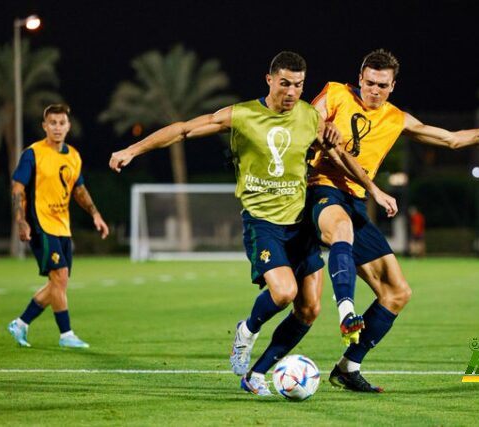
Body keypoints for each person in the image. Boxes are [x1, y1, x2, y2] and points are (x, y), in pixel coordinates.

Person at [108, 51, 396, 396]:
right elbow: (184, 130)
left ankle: (256, 375)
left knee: (309, 309)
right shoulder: (243, 114)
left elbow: (339, 155)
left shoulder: (308, 117)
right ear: (270, 80)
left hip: (299, 224)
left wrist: (373, 190)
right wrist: (132, 150)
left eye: (299, 85)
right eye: (285, 83)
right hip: (263, 223)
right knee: (284, 291)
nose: (292, 92)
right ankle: (247, 329)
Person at [307, 48, 479, 392]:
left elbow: (452, 139)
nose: (374, 90)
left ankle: (347, 367)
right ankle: (345, 309)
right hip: (320, 189)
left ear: (392, 86)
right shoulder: (335, 94)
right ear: (360, 79)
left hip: (356, 200)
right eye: (369, 82)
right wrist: (321, 130)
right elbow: (309, 124)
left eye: (382, 85)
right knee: (338, 231)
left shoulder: (397, 118)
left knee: (398, 293)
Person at [8, 104, 109, 349]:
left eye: (61, 123)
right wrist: (21, 220)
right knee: (60, 277)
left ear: (68, 126)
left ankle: (20, 323)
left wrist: (96, 214)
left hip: (63, 226)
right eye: (52, 122)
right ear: (44, 126)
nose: (57, 127)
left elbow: (79, 190)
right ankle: (66, 334)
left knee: (59, 283)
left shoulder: (73, 156)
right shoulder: (33, 153)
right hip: (41, 224)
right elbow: (18, 188)